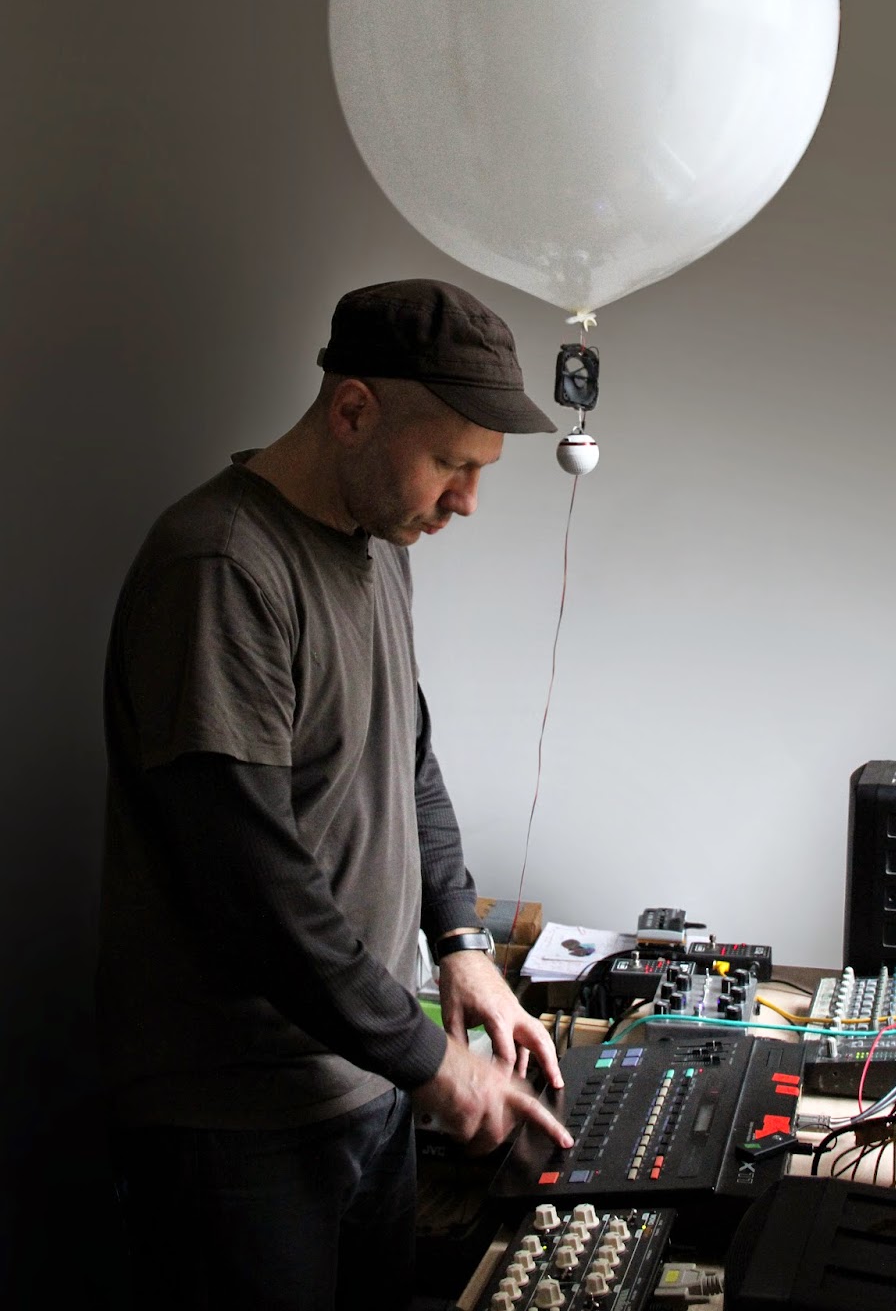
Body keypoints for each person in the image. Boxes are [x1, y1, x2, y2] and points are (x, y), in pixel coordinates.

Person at [97, 278, 573, 1310]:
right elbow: (250, 885)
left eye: (479, 471)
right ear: (352, 411)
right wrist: (430, 1059)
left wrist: (462, 945)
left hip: (366, 1080)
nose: (466, 501)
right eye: (449, 463)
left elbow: (411, 761)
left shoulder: (379, 544)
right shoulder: (221, 567)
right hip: (235, 1122)